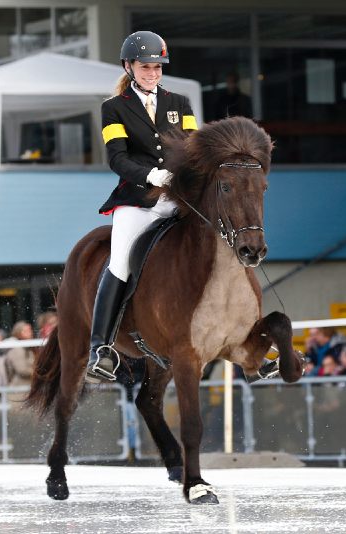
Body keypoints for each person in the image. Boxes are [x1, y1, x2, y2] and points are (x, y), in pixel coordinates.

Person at [86, 30, 199, 383]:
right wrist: (152, 175)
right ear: (129, 66)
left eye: (157, 67)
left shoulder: (180, 103)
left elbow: (193, 150)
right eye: (145, 67)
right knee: (119, 261)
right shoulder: (113, 108)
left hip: (176, 200)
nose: (152, 73)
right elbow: (117, 159)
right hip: (137, 200)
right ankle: (101, 347)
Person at [4, 321, 37, 387]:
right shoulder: (16, 349)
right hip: (18, 390)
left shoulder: (28, 348)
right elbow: (22, 370)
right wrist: (39, 373)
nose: (30, 333)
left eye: (30, 330)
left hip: (25, 388)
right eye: (26, 331)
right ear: (18, 333)